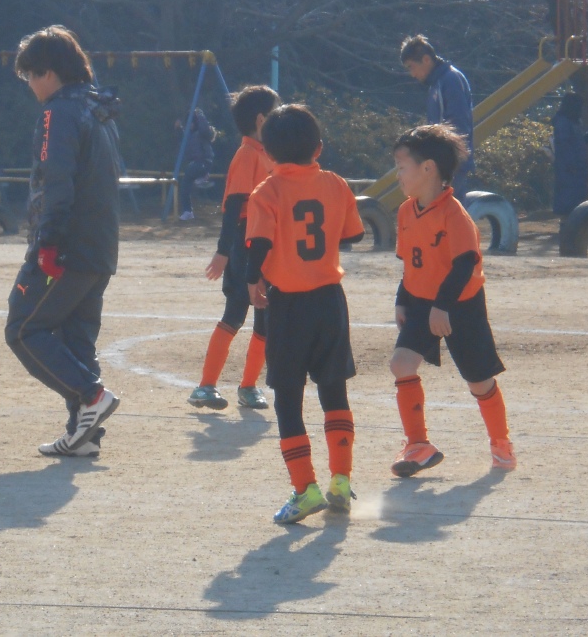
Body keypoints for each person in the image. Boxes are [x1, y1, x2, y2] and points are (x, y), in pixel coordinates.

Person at [245, 104, 365, 524]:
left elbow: (259, 244)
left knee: (288, 399)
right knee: (334, 391)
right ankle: (341, 482)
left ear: (267, 152)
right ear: (318, 148)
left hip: (290, 305)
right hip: (330, 300)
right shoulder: (336, 183)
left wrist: (252, 279)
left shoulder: (267, 192)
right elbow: (353, 235)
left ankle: (304, 489)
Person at [5, 25, 122, 458]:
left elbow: (57, 180)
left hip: (67, 246)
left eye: (30, 75)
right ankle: (83, 435)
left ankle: (92, 396)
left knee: (23, 328)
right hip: (101, 245)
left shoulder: (58, 113)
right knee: (77, 339)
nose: (30, 85)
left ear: (48, 72)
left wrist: (48, 242)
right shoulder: (98, 109)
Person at [389, 123, 516, 477]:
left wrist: (442, 307)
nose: (398, 175)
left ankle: (501, 443)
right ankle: (418, 445)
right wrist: (402, 300)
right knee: (401, 364)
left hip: (460, 304)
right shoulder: (406, 211)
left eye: (402, 167)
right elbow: (410, 263)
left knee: (479, 380)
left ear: (428, 168)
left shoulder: (454, 214)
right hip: (421, 302)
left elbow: (464, 266)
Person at [188, 85, 279, 412]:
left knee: (265, 317)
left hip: (267, 244)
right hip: (245, 243)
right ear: (261, 119)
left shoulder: (269, 154)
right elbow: (234, 207)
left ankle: (249, 386)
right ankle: (205, 386)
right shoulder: (247, 155)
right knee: (236, 313)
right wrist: (224, 251)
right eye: (276, 112)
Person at [401, 35, 475, 204]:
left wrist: (446, 161)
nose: (412, 74)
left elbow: (458, 126)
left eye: (412, 67)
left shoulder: (450, 80)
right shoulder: (437, 84)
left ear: (426, 59)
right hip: (441, 162)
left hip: (451, 164)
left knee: (447, 212)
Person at [550, 93, 588, 217]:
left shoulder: (571, 122)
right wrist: (572, 165)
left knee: (575, 199)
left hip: (575, 168)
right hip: (569, 169)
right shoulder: (563, 123)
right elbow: (564, 146)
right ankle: (566, 223)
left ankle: (569, 221)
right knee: (569, 199)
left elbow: (577, 143)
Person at [176, 108, 215, 221]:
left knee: (190, 171)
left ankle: (202, 177)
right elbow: (182, 140)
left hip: (204, 162)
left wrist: (200, 116)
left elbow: (205, 129)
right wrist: (178, 128)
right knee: (185, 185)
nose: (190, 125)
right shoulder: (189, 135)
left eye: (192, 123)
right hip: (195, 163)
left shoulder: (202, 133)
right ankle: (187, 211)